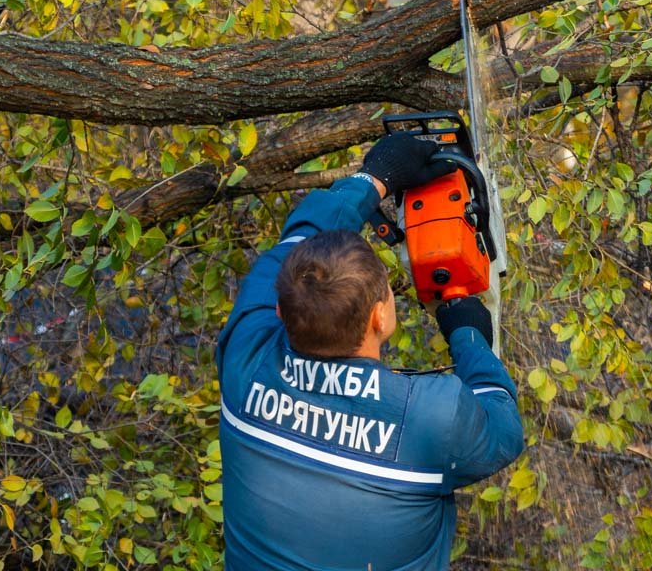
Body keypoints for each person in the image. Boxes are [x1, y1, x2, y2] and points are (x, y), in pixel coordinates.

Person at [217, 133, 525, 571]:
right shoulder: (430, 418)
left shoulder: (245, 359)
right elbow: (503, 423)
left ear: (280, 310)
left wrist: (374, 178)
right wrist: (470, 334)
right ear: (379, 317)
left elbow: (301, 238)